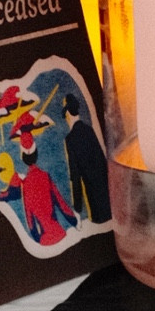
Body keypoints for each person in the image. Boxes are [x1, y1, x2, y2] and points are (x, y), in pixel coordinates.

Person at [61, 91, 110, 223]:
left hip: (93, 194)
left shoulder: (70, 139)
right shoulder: (89, 130)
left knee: (100, 222)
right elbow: (101, 158)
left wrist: (77, 207)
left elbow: (75, 174)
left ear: (68, 114)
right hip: (106, 189)